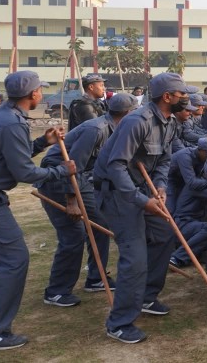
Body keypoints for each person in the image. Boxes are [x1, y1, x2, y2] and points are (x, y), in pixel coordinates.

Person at [0, 71, 76, 351]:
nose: (41, 92)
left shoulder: (0, 114)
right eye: (40, 89)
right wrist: (60, 171)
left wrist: (43, 143)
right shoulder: (11, 123)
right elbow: (24, 172)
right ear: (33, 95)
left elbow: (13, 154)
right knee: (14, 259)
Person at [93, 72, 195, 344]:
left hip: (145, 190)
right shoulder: (137, 122)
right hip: (118, 194)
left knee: (164, 236)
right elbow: (115, 167)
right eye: (182, 94)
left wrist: (160, 188)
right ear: (167, 97)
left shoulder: (170, 122)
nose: (185, 99)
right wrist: (142, 201)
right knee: (135, 257)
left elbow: (164, 160)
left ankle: (147, 297)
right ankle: (119, 323)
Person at [37, 93, 140, 306]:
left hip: (81, 181)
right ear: (128, 113)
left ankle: (96, 277)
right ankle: (56, 291)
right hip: (59, 181)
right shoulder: (97, 129)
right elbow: (73, 165)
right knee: (73, 235)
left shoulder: (116, 128)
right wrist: (72, 201)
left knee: (100, 224)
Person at [168, 138, 207, 269]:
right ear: (200, 150)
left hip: (191, 225)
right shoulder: (196, 185)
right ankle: (176, 256)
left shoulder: (201, 179)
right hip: (182, 223)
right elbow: (192, 183)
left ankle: (200, 255)